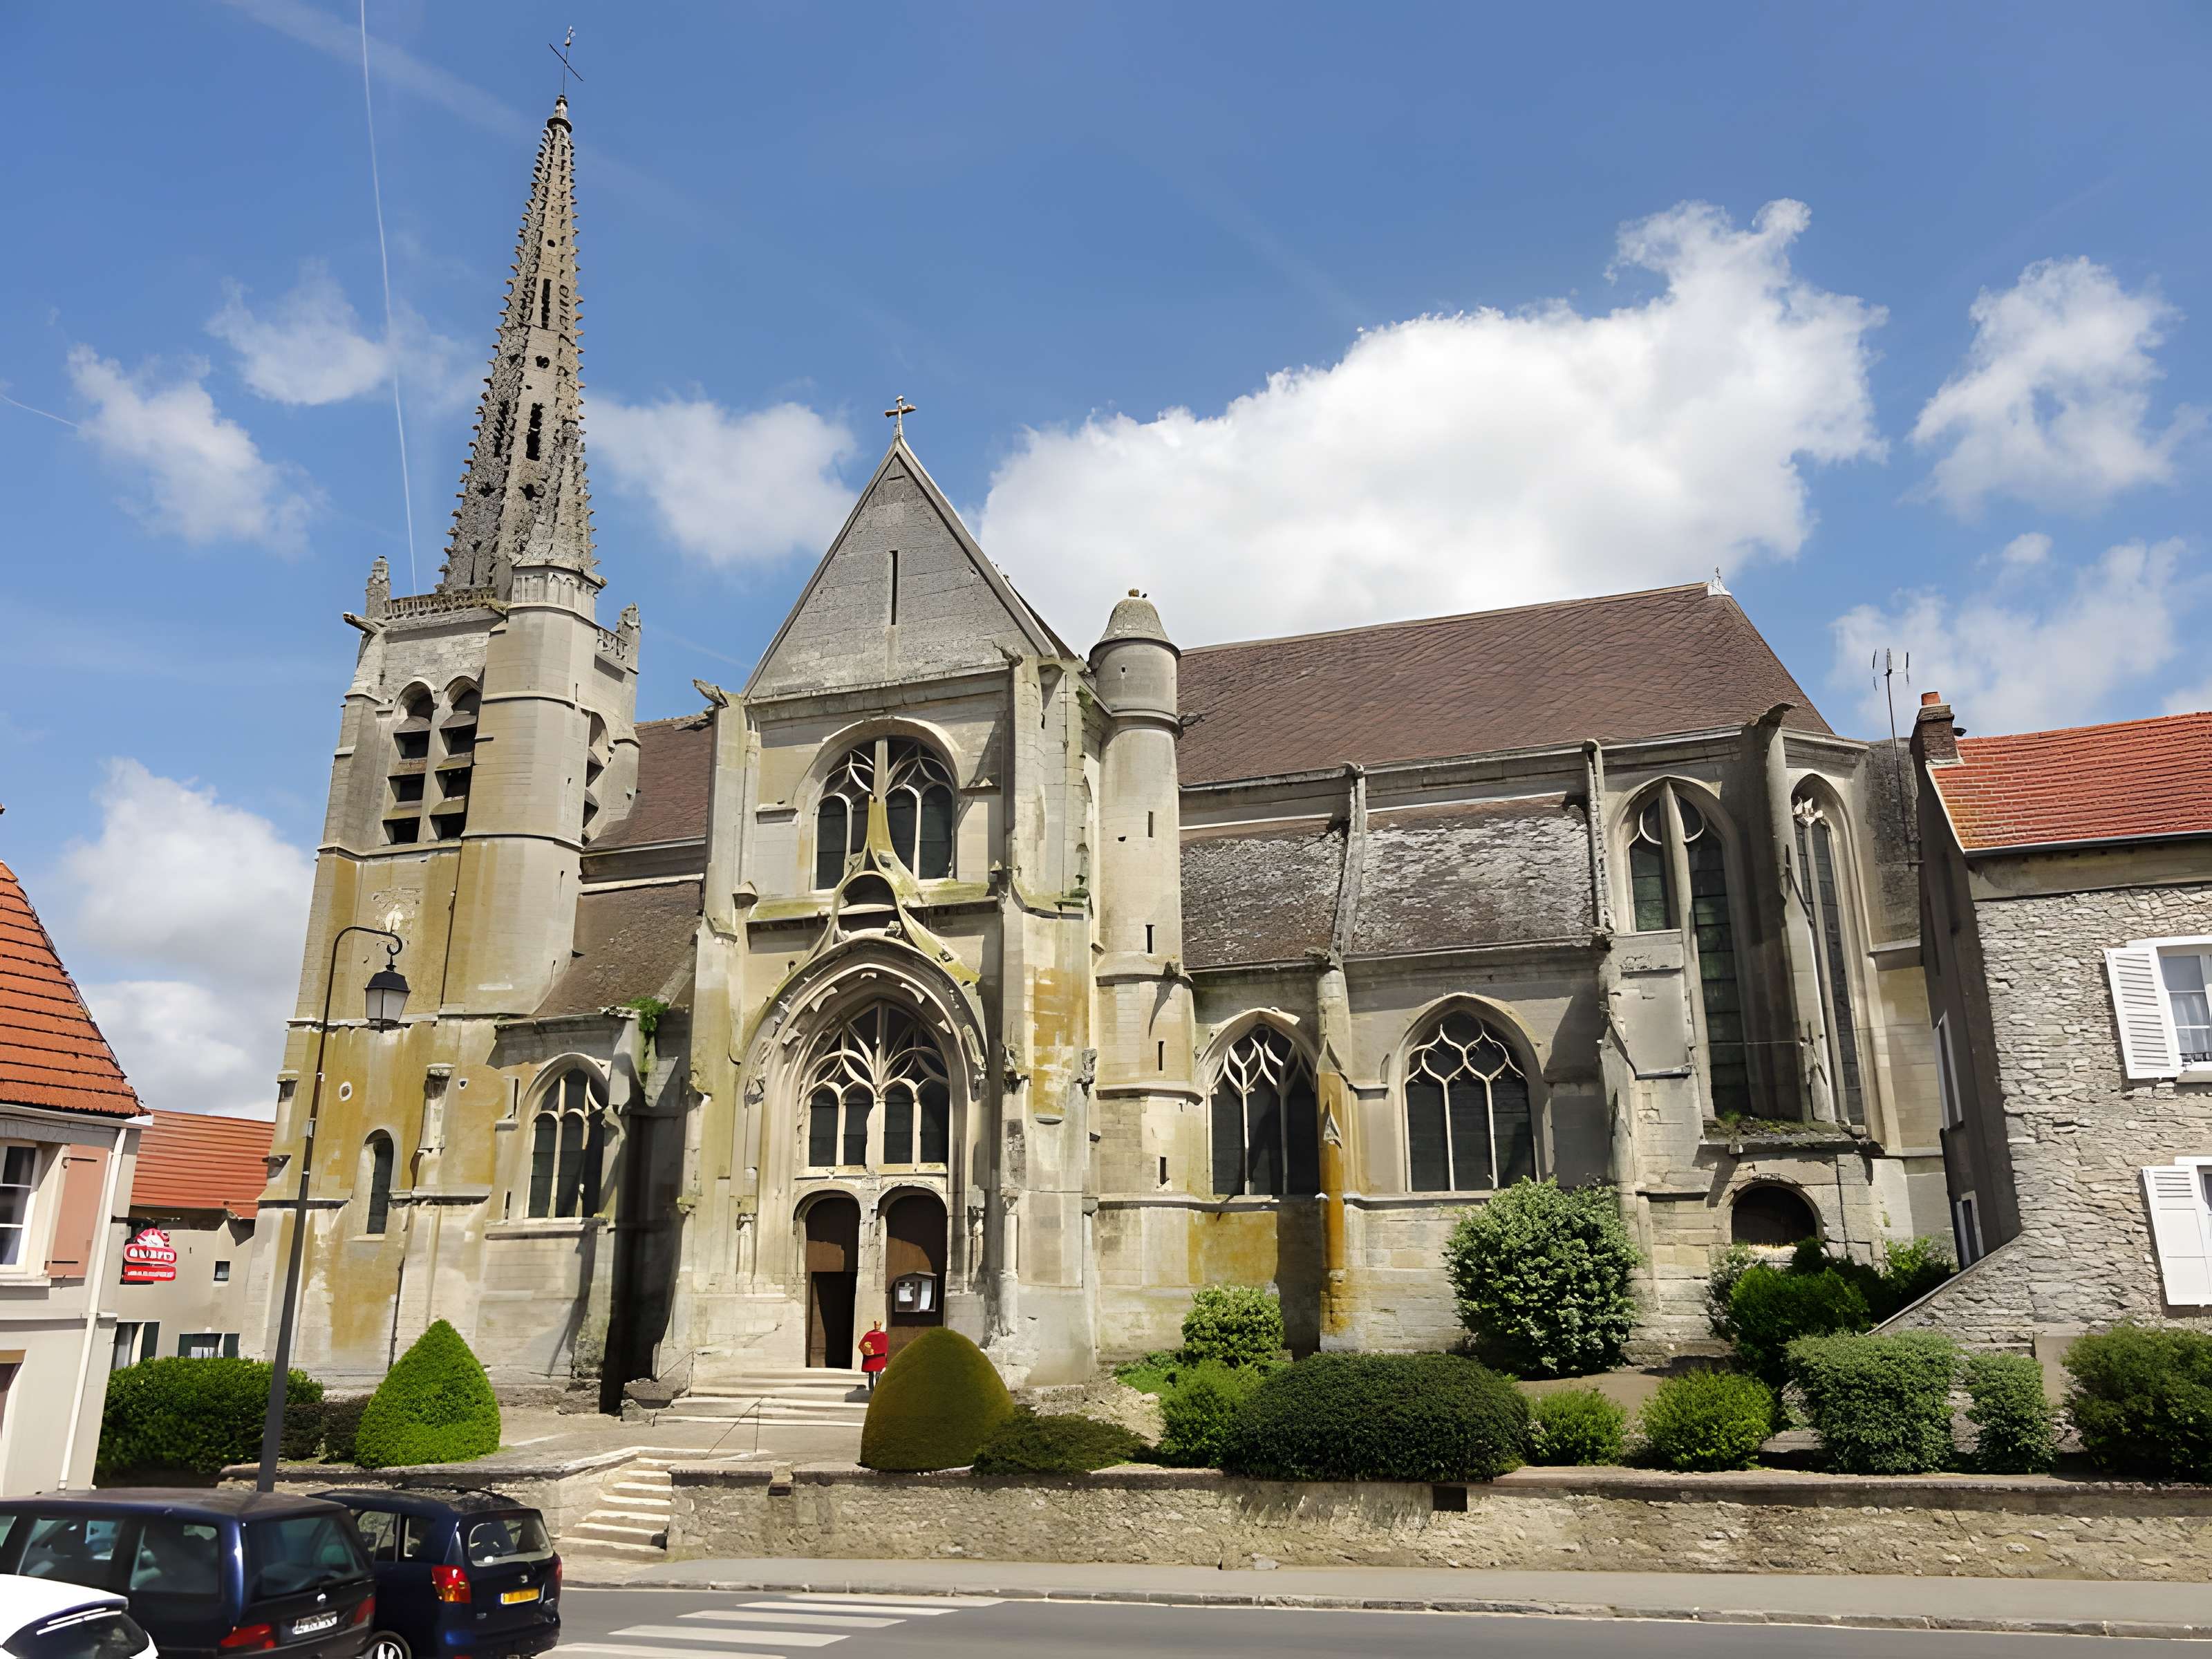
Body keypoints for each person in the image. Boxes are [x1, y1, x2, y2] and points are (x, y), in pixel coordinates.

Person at [859, 1320, 889, 1391]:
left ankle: (877, 1387)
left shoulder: (883, 1335)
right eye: (876, 1325)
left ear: (880, 1326)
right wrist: (867, 1351)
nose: (877, 1326)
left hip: (879, 1357)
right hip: (871, 1357)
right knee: (871, 1374)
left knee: (878, 1374)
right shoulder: (869, 1334)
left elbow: (885, 1347)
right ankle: (871, 1388)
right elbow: (862, 1345)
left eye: (878, 1325)